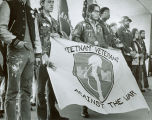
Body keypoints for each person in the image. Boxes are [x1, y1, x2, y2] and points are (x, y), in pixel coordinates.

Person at [0, 0, 42, 119]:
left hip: (31, 52)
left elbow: (36, 33)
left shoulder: (30, 10)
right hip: (15, 52)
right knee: (12, 92)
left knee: (27, 91)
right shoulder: (7, 4)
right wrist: (14, 41)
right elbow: (1, 27)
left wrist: (38, 53)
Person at [72, 4, 107, 118]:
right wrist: (86, 46)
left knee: (97, 80)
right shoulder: (81, 25)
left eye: (98, 12)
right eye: (96, 11)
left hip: (97, 58)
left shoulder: (100, 27)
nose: (98, 14)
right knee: (85, 82)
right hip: (85, 58)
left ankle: (95, 103)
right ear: (89, 12)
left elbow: (102, 42)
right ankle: (84, 107)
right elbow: (74, 38)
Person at [36, 0, 69, 120]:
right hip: (41, 57)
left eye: (53, 2)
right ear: (42, 3)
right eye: (49, 2)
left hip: (54, 57)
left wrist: (59, 35)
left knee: (52, 87)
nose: (52, 4)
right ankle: (42, 117)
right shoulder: (37, 18)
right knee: (40, 90)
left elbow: (60, 35)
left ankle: (53, 115)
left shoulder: (54, 21)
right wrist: (42, 54)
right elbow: (35, 37)